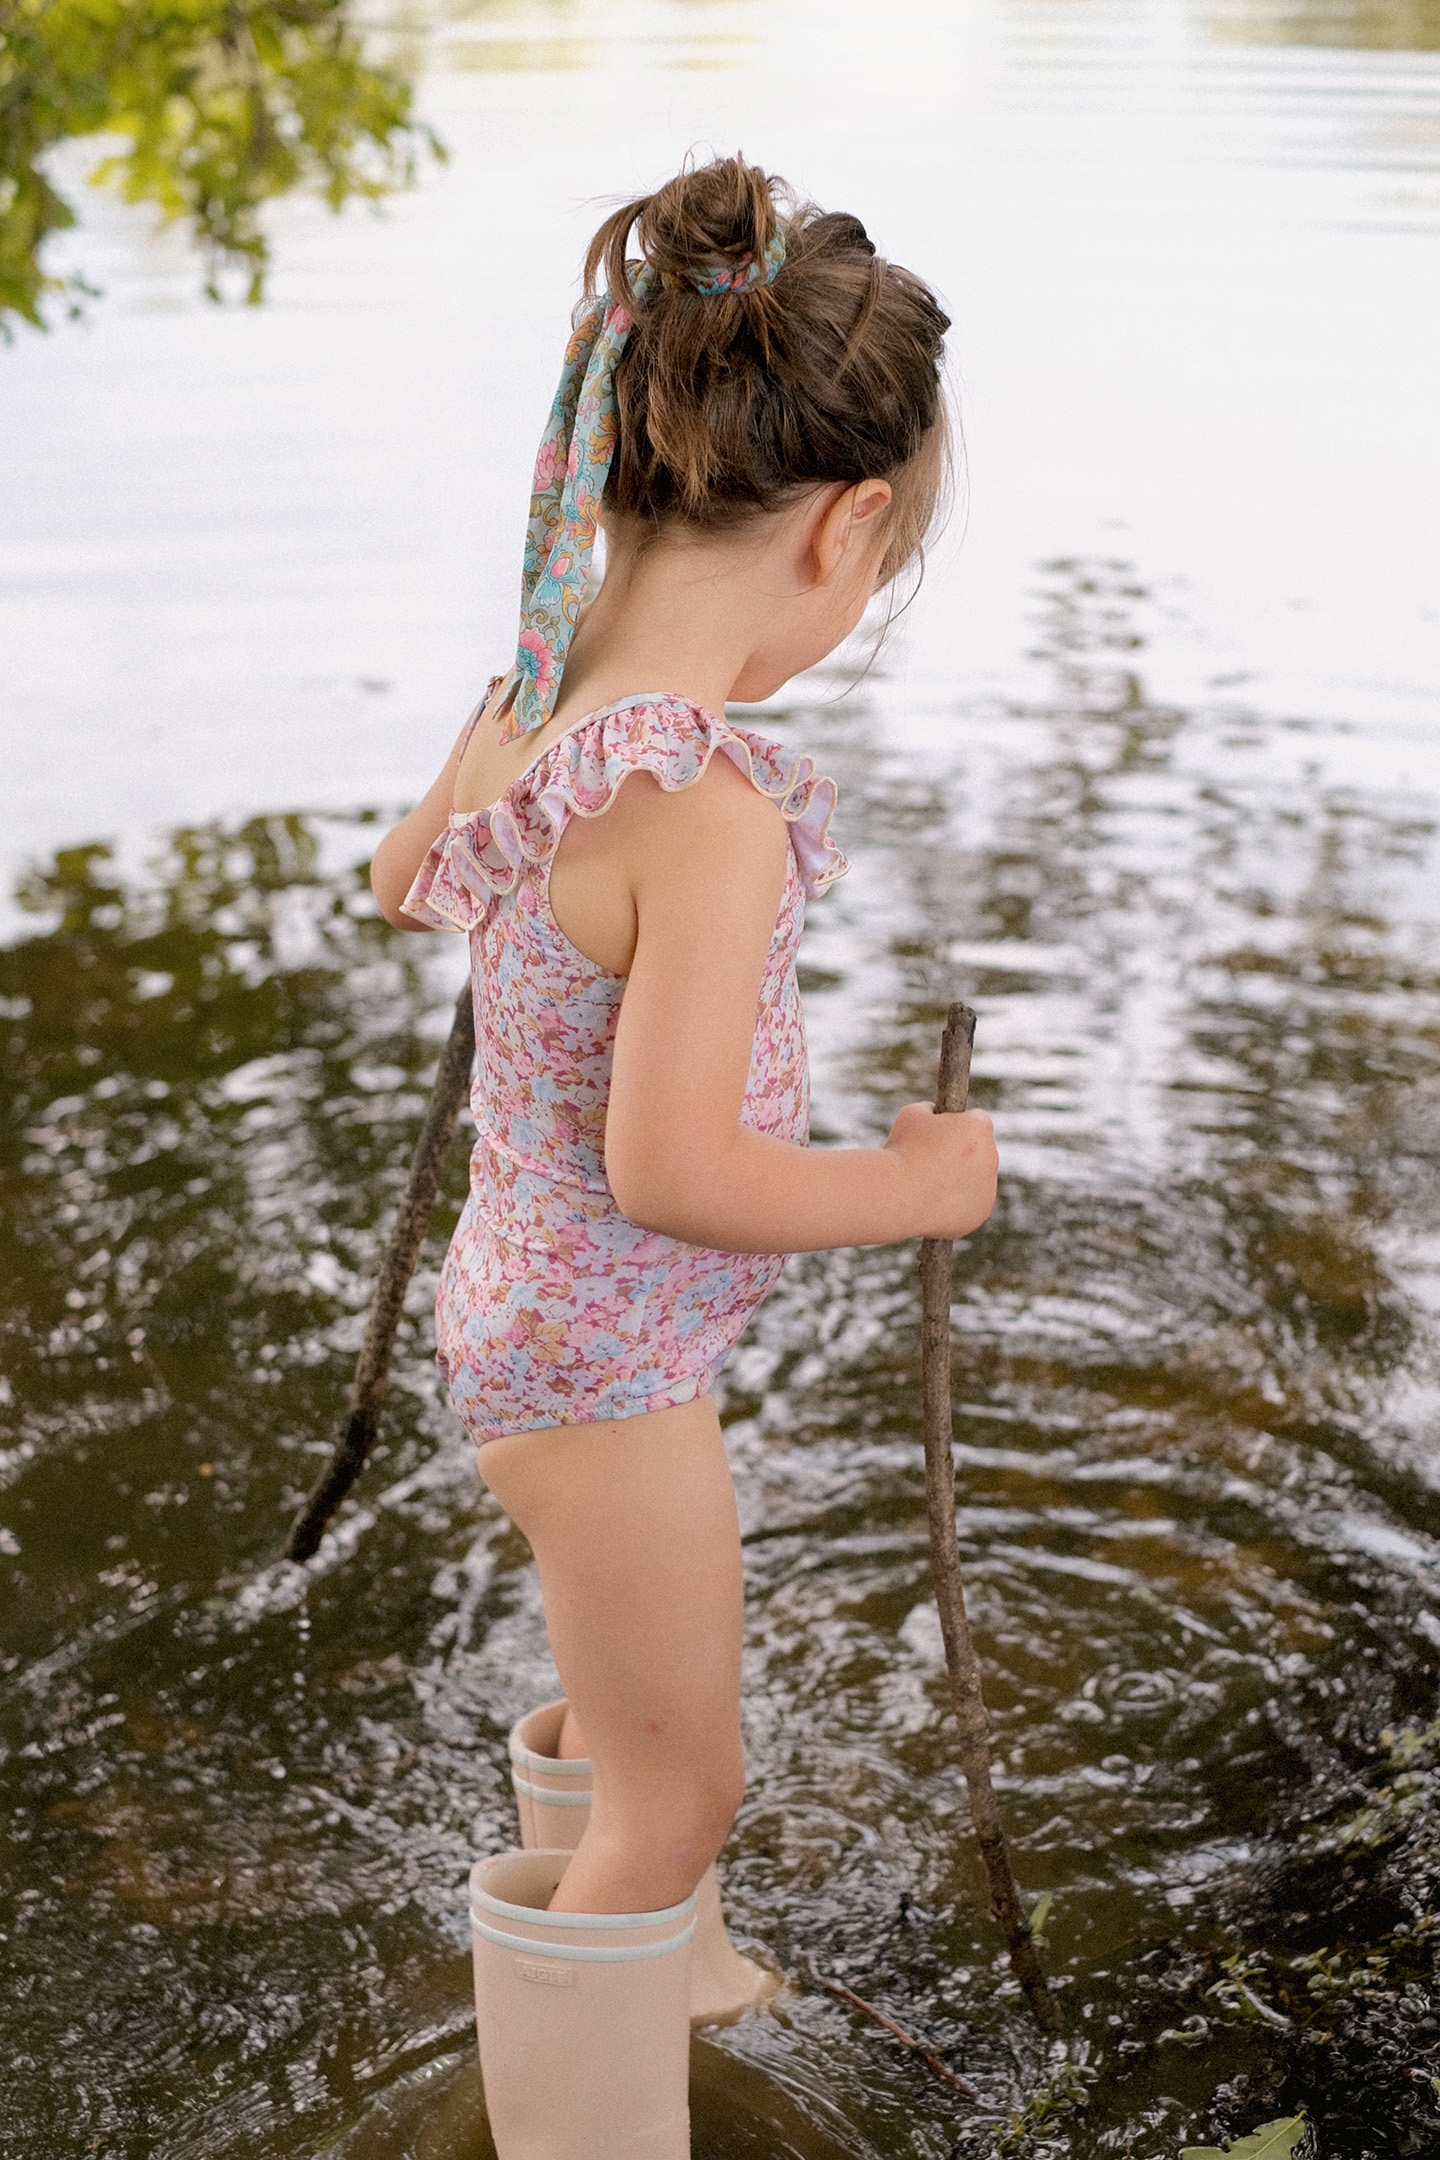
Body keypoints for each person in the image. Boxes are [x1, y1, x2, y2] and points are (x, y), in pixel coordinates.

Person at [369, 153, 998, 2159]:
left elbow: (407, 883)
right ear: (850, 526)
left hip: (539, 1331)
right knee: (683, 1788)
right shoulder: (702, 810)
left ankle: (681, 1967)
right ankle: (582, 2126)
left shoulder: (545, 701)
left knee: (628, 1701)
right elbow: (676, 1168)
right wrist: (919, 1185)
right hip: (604, 1351)